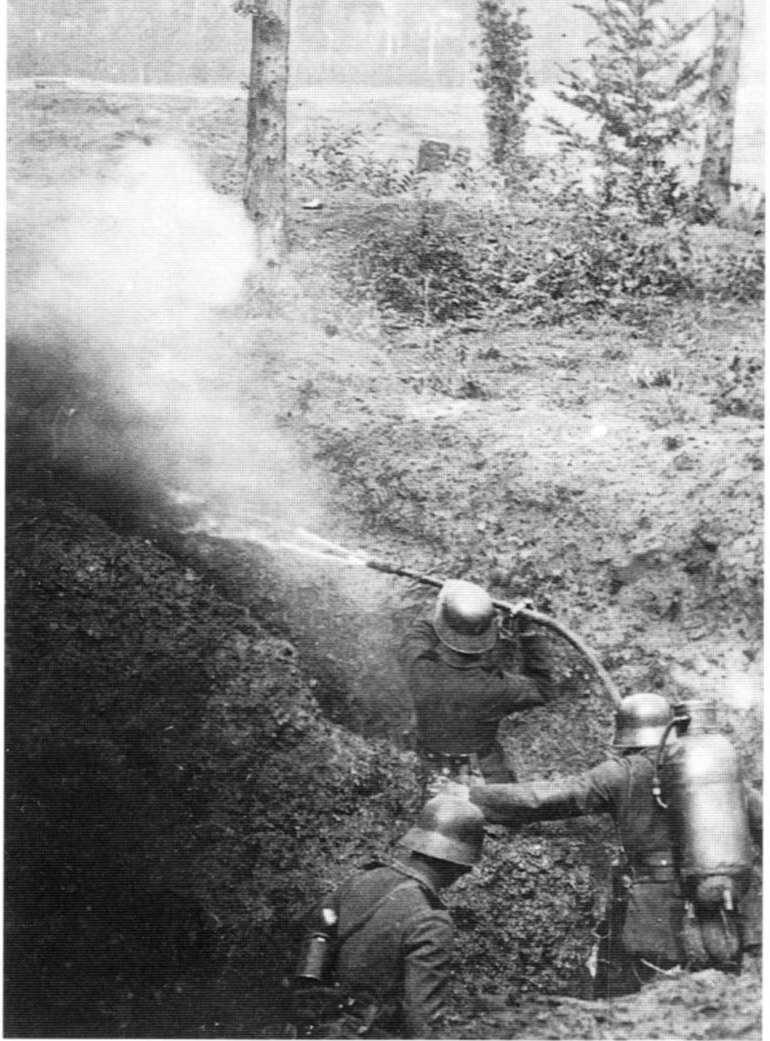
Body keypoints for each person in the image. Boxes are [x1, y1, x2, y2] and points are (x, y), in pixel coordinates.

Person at [438, 692, 763, 995]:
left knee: (635, 996)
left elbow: (547, 799)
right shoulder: (714, 770)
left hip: (653, 907)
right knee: (719, 994)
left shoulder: (622, 773)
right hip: (724, 895)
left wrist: (471, 795)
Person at [288, 793, 485, 1038]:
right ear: (459, 865)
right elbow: (423, 1019)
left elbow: (318, 926)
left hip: (322, 1023)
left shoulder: (362, 879)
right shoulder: (431, 920)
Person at [400, 579, 553, 790]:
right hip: (483, 774)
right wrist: (529, 632)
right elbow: (542, 687)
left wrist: (446, 600)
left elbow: (419, 632)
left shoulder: (419, 667)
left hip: (426, 762)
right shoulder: (499, 688)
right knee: (502, 808)